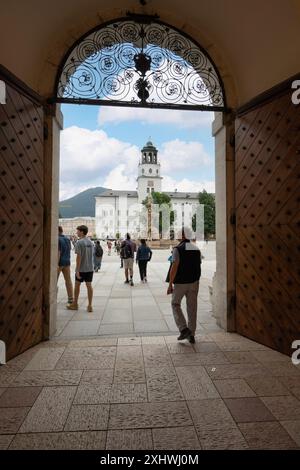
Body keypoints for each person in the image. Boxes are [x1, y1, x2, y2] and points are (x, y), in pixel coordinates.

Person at [167, 226, 201, 344]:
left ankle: (183, 329)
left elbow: (174, 267)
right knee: (192, 308)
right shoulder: (196, 249)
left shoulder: (178, 249)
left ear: (183, 235)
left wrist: (170, 284)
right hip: (194, 282)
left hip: (181, 283)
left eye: (178, 233)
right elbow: (198, 265)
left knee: (175, 304)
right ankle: (191, 334)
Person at [67, 225, 94, 312]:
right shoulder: (90, 242)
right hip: (90, 268)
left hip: (82, 269)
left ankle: (75, 304)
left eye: (77, 231)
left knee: (77, 285)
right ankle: (90, 305)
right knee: (89, 285)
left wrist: (77, 270)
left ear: (82, 232)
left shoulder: (79, 242)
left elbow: (78, 257)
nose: (76, 232)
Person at [57, 226, 73, 305]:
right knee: (68, 280)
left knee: (54, 281)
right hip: (67, 261)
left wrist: (56, 264)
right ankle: (70, 298)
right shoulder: (67, 239)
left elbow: (58, 253)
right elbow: (69, 250)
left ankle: (53, 298)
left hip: (60, 263)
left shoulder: (57, 239)